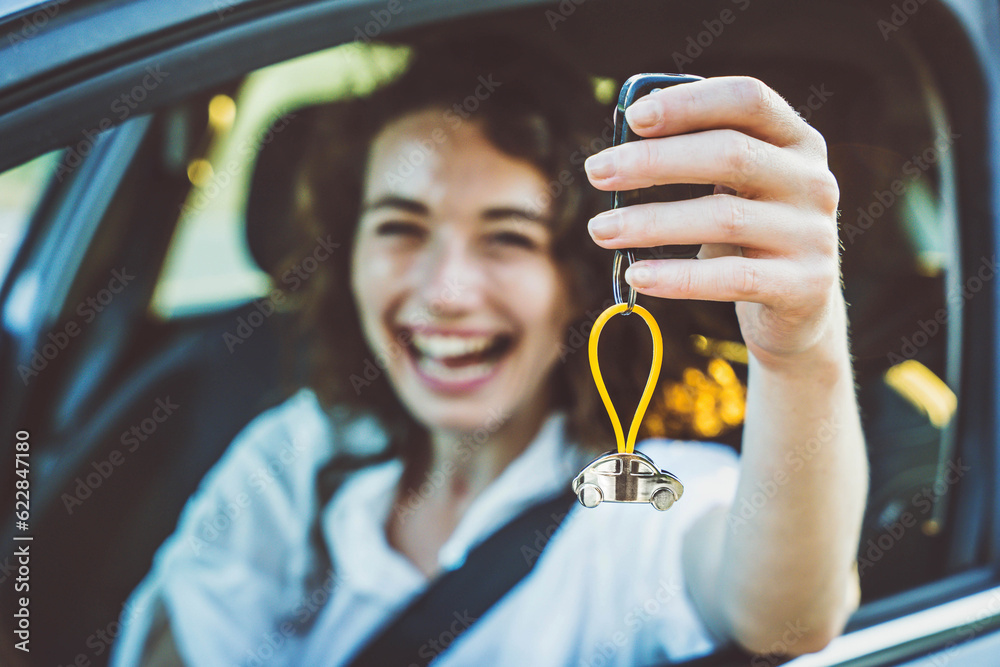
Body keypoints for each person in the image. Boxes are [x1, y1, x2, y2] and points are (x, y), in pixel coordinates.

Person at [112, 32, 867, 666]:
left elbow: (790, 613)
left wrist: (801, 350)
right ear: (347, 258)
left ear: (576, 282)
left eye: (507, 237)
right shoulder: (298, 453)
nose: (445, 290)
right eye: (401, 227)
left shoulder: (635, 496)